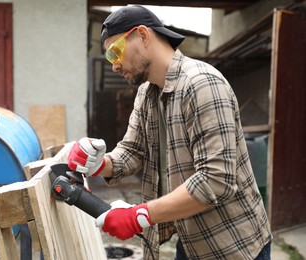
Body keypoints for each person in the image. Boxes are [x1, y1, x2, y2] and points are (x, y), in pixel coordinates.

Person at [68, 5, 272, 260]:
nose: (114, 65)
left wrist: (138, 215)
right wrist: (101, 163)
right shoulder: (147, 93)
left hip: (232, 245)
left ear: (143, 35)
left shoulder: (202, 84)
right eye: (109, 57)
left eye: (115, 52)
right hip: (189, 239)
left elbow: (216, 181)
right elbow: (132, 151)